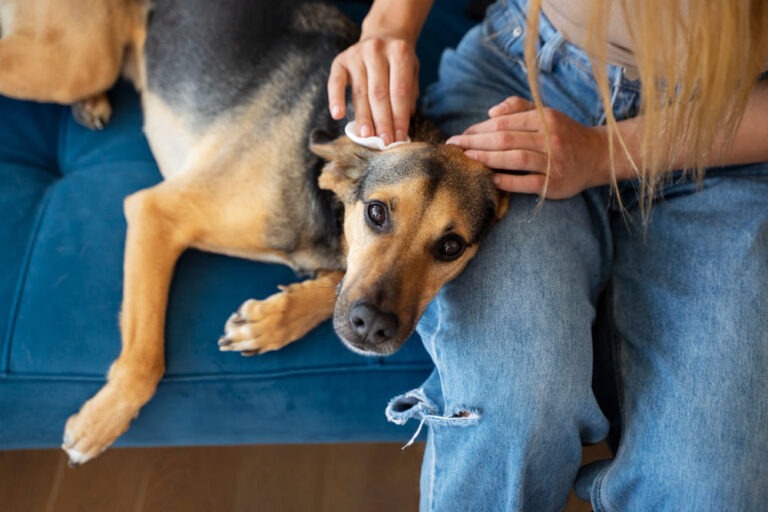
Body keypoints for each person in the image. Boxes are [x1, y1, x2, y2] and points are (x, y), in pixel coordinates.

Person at [328, 0, 768, 510]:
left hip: (730, 131)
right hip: (522, 81)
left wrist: (601, 153)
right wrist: (388, 25)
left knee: (710, 489)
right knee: (513, 405)